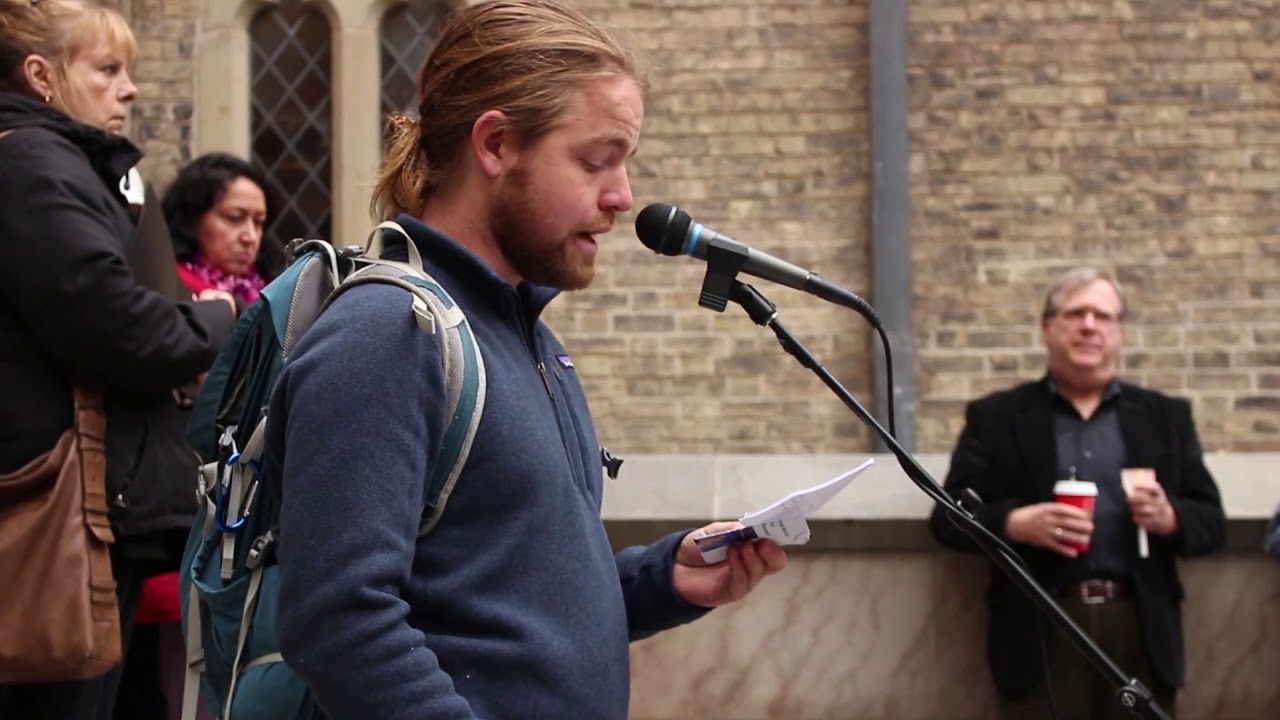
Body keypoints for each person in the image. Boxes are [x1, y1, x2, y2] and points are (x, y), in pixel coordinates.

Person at [260, 1, 787, 718]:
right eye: (595, 159)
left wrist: (664, 580)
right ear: (497, 143)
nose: (622, 196)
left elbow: (506, 606)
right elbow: (337, 620)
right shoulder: (388, 334)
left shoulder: (529, 340)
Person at [0, 1, 237, 718]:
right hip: (52, 516)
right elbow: (115, 328)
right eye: (106, 70)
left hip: (85, 510)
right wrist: (215, 318)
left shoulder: (53, 163)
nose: (129, 90)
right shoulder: (31, 165)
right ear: (41, 75)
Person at [928, 267, 1226, 720]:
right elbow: (945, 519)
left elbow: (1212, 522)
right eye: (1075, 313)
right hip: (1040, 625)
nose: (1089, 325)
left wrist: (1171, 518)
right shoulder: (997, 416)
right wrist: (1013, 523)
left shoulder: (1165, 417)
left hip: (1140, 626)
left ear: (1119, 332)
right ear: (1047, 328)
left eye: (1103, 316)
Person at [163, 151, 284, 305]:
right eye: (234, 218)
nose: (250, 237)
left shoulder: (275, 293)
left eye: (259, 222)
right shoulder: (167, 287)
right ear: (192, 219)